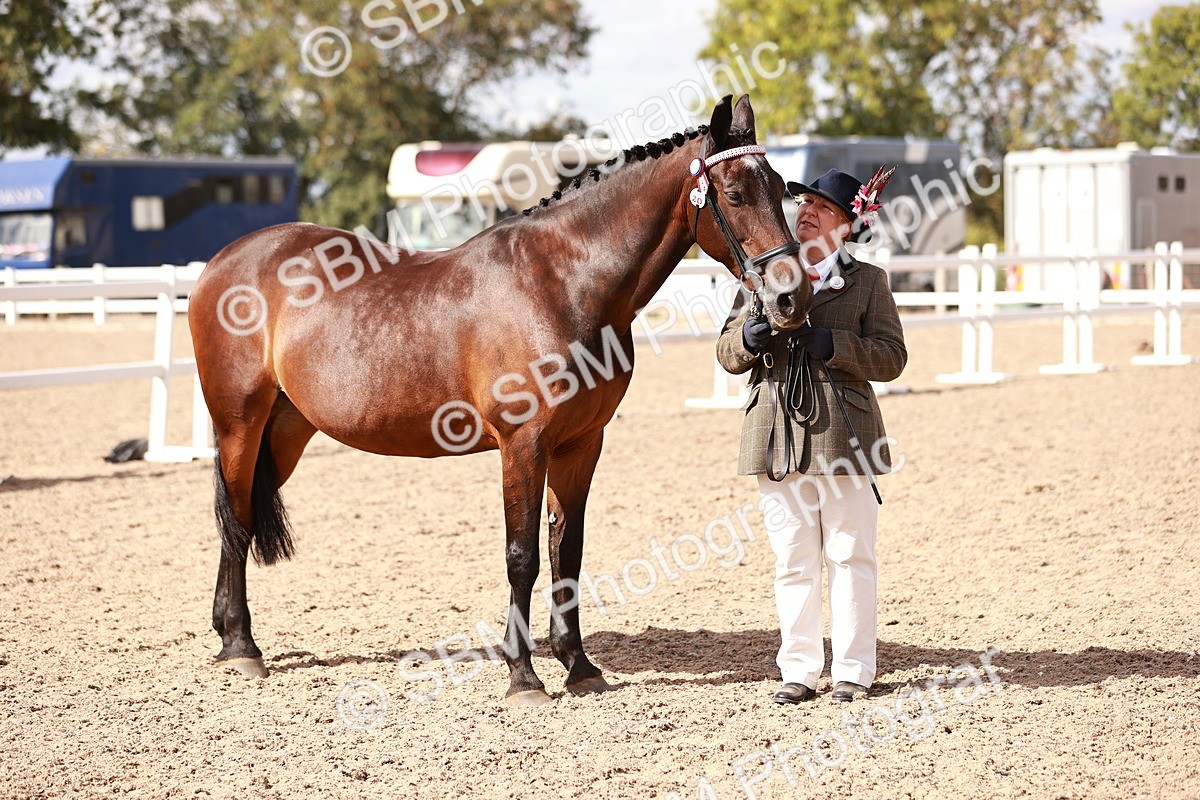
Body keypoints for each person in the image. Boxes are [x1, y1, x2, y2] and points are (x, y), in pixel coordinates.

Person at [716, 167, 907, 704]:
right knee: (793, 559)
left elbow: (893, 357)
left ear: (846, 226)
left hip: (843, 434)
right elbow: (727, 352)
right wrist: (749, 339)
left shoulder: (868, 282)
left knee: (850, 554)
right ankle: (798, 672)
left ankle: (853, 670)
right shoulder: (762, 276)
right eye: (803, 203)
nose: (805, 211)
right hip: (776, 432)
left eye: (821, 208)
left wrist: (836, 344)